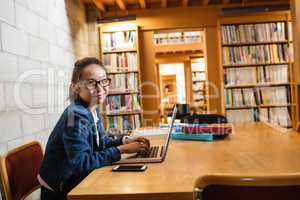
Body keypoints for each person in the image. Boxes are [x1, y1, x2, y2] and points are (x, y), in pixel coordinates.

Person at [38, 57, 150, 200]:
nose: (100, 88)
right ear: (77, 86)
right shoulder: (76, 116)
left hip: (76, 180)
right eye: (91, 83)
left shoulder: (92, 108)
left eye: (104, 81)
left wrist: (125, 141)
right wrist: (122, 150)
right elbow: (82, 164)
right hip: (61, 191)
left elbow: (101, 144)